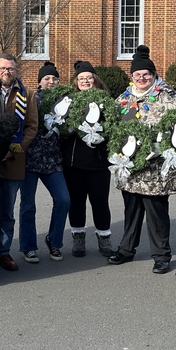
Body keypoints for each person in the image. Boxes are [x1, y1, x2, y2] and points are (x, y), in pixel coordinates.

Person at [110, 45, 176, 273]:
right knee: (131, 210)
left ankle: (161, 255)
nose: (142, 78)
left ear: (153, 75)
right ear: (132, 77)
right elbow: (113, 127)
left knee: (156, 213)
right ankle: (126, 249)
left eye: (146, 74)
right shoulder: (124, 98)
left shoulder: (168, 96)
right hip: (131, 167)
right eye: (137, 75)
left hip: (155, 167)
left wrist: (160, 146)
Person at [0, 53, 39, 271]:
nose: (6, 72)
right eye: (2, 68)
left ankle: (3, 252)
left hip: (12, 161)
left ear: (16, 71)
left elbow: (31, 127)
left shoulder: (27, 94)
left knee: (7, 211)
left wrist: (12, 151)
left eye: (10, 69)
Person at [18, 61, 70, 262]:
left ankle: (54, 241)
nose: (51, 81)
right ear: (39, 82)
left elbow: (68, 130)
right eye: (47, 78)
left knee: (63, 199)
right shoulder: (32, 99)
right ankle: (28, 247)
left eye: (54, 78)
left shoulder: (64, 102)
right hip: (30, 160)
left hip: (53, 161)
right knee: (28, 204)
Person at [60, 61, 112, 258]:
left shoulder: (105, 100)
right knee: (76, 202)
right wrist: (69, 128)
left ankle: (104, 237)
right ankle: (78, 238)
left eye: (89, 77)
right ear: (76, 82)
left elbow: (113, 127)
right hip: (73, 162)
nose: (85, 81)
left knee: (100, 202)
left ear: (95, 79)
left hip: (98, 162)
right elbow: (60, 129)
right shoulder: (68, 100)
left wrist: (102, 134)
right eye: (81, 78)